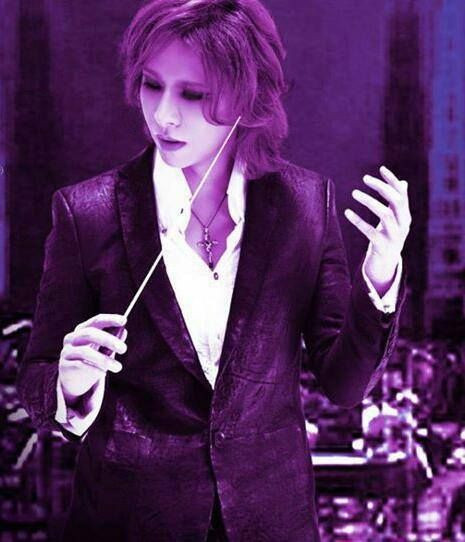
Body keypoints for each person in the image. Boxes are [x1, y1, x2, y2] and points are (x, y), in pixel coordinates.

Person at [16, 1, 411, 540]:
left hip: (270, 523)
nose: (164, 115)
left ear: (246, 98)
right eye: (152, 85)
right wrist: (69, 384)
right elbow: (36, 375)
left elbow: (344, 383)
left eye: (193, 94)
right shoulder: (87, 213)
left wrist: (380, 277)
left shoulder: (304, 204)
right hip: (129, 524)